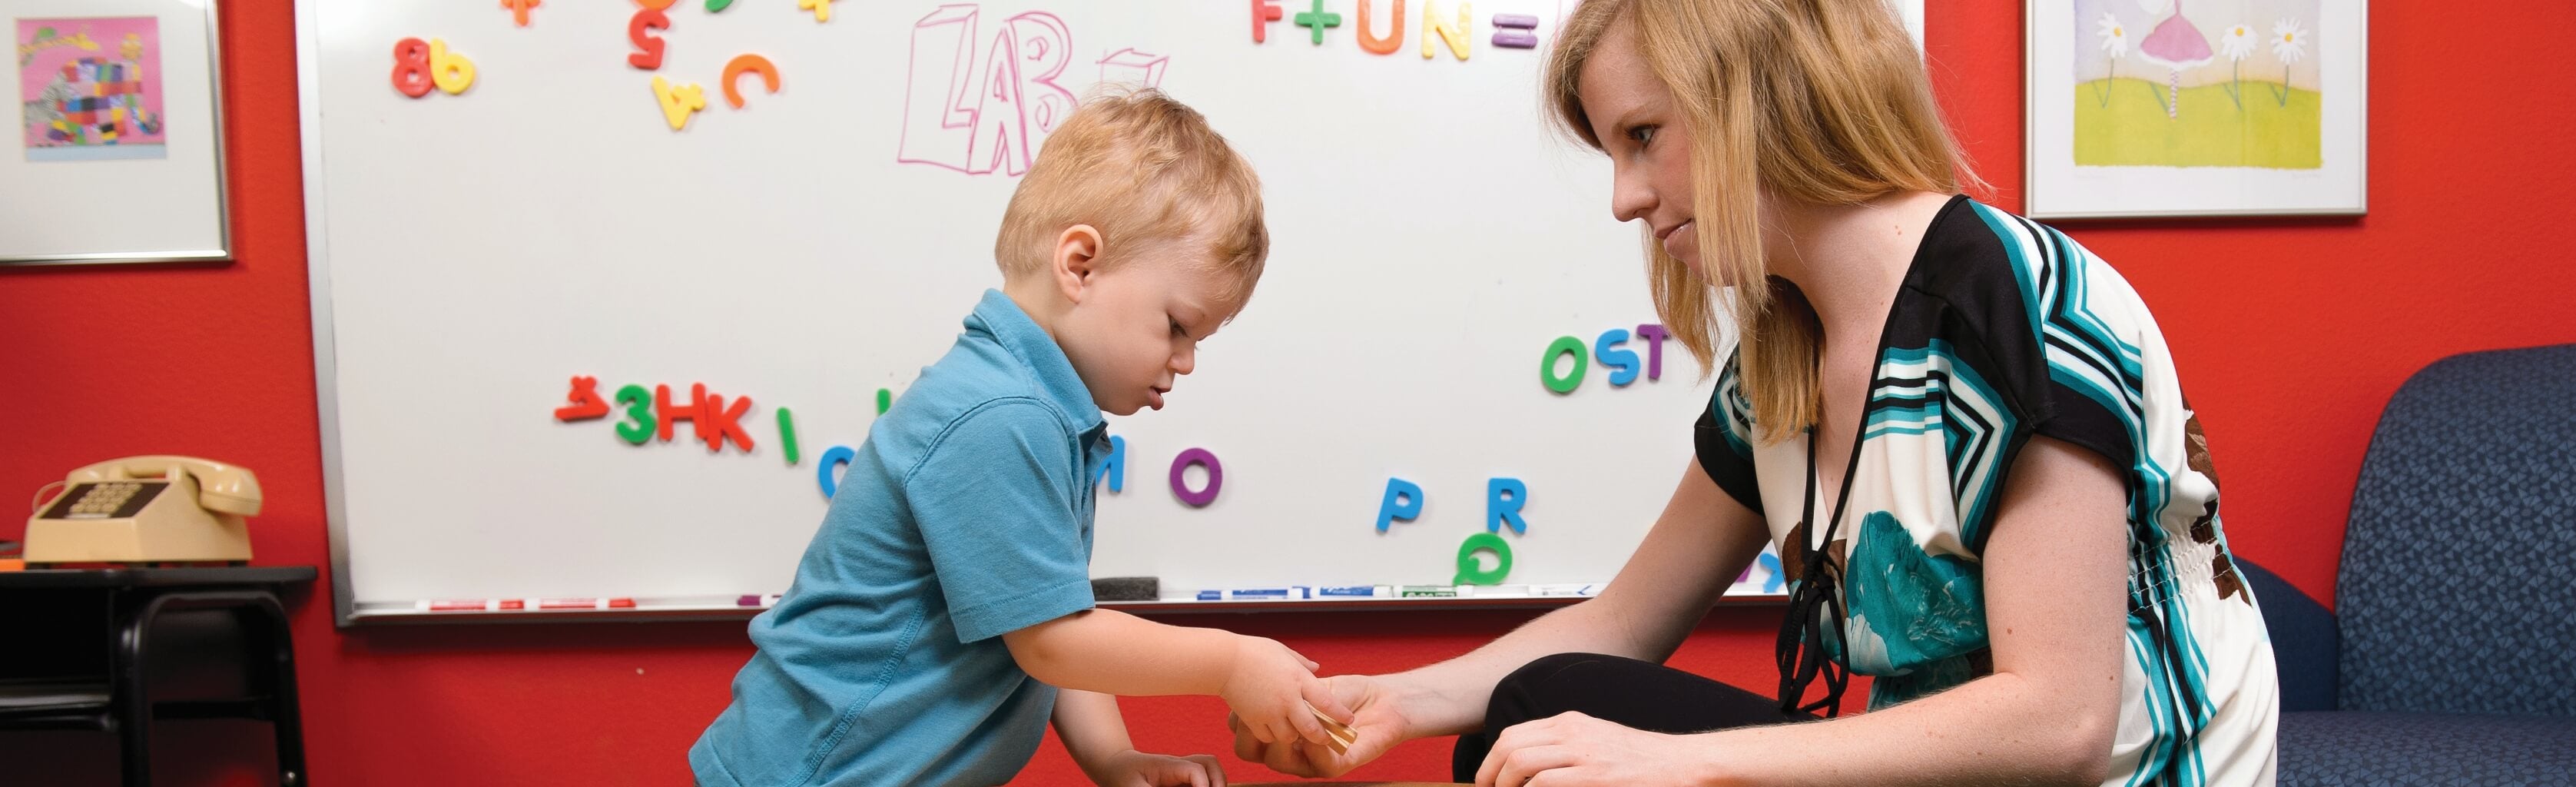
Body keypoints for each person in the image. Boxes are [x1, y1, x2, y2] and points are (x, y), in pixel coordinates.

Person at [1235, 2, 2278, 785]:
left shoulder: (2018, 305)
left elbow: (2062, 720)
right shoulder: (1781, 362)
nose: (1624, 199)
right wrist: (1394, 703)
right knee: (1539, 715)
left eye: (1643, 137)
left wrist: (1684, 763)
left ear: (1760, 93)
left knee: (1568, 732)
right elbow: (1621, 626)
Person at [691, 89, 1348, 787]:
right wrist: (1229, 664)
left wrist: (1113, 759)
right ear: (1080, 265)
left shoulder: (1034, 405)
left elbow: (1049, 619)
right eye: (1179, 327)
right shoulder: (1001, 412)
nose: (1185, 361)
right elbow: (1053, 644)